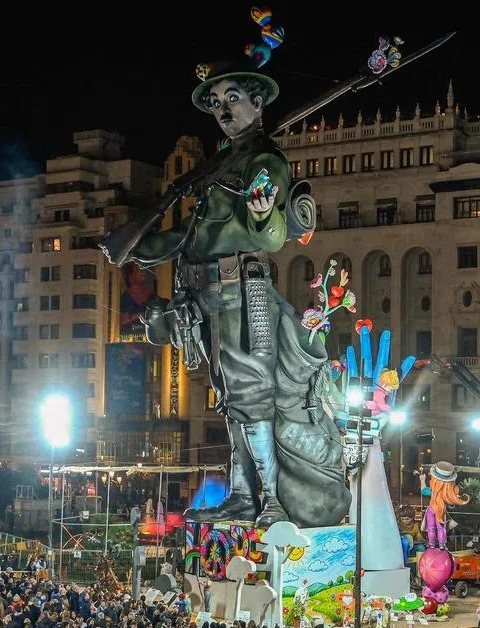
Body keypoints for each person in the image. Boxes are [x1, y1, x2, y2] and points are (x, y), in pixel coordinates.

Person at [102, 59, 350, 530]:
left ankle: (272, 500)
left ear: (258, 103)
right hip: (206, 295)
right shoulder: (221, 162)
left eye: (231, 99)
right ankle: (242, 495)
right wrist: (135, 248)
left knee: (252, 400)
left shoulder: (265, 161)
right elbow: (190, 235)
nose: (222, 110)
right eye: (215, 103)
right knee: (233, 405)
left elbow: (271, 230)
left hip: (245, 293)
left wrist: (260, 214)